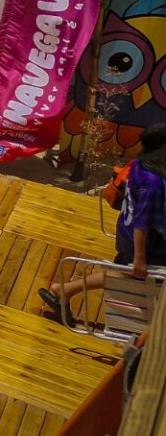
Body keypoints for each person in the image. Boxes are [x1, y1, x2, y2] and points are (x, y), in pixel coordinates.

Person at [42, 124, 166, 323]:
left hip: (125, 231)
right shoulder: (154, 184)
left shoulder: (138, 165)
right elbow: (142, 222)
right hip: (144, 244)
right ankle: (64, 290)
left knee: (123, 272)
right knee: (135, 275)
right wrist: (139, 259)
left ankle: (63, 290)